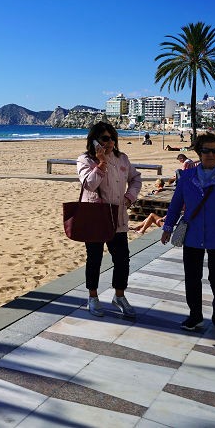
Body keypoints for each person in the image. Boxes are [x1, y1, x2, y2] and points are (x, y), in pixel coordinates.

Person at [160, 132, 215, 331]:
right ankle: (195, 314)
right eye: (206, 150)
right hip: (192, 234)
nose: (210, 154)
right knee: (192, 276)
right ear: (199, 153)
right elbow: (175, 205)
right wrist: (167, 227)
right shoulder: (186, 177)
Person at [77, 122, 142, 318]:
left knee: (122, 259)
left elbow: (136, 178)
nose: (110, 142)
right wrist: (101, 163)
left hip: (118, 217)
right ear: (94, 140)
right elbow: (89, 184)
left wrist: (129, 197)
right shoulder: (85, 160)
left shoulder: (122, 158)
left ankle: (119, 296)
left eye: (113, 137)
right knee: (94, 258)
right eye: (105, 138)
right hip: (96, 217)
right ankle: (93, 297)